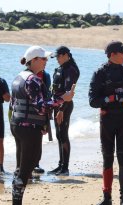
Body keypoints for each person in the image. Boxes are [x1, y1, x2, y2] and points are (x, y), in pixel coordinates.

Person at [9, 45, 75, 205]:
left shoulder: (19, 76)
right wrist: (63, 99)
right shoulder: (33, 80)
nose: (46, 61)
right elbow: (42, 107)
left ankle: (16, 195)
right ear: (34, 60)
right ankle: (16, 201)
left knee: (22, 166)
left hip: (17, 125)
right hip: (28, 128)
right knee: (28, 167)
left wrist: (43, 123)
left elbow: (12, 105)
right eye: (44, 58)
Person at [89, 41, 123, 205]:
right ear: (112, 54)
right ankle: (107, 198)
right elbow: (92, 101)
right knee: (108, 157)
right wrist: (111, 98)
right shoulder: (100, 73)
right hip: (108, 119)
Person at [47, 46, 79, 176]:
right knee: (59, 135)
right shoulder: (60, 68)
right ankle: (60, 165)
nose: (57, 59)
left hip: (64, 106)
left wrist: (61, 109)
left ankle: (65, 168)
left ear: (66, 55)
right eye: (56, 57)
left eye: (59, 56)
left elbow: (69, 93)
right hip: (56, 105)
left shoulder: (71, 69)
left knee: (63, 134)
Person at [33, 70, 52, 174]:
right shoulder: (27, 74)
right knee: (27, 139)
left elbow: (48, 93)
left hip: (42, 110)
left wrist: (48, 112)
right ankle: (26, 164)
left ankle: (36, 164)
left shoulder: (46, 75)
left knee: (39, 137)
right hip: (29, 110)